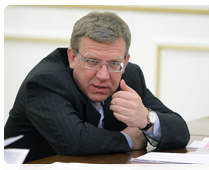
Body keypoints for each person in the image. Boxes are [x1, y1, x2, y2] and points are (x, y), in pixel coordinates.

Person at [4, 11, 190, 163]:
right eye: (92, 61)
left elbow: (180, 131)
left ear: (125, 61)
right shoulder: (46, 81)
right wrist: (129, 139)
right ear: (72, 57)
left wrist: (147, 121)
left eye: (114, 63)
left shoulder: (129, 77)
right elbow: (76, 142)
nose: (103, 75)